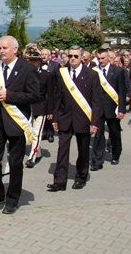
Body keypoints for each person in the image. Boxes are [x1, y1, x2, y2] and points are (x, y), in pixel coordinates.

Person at [0, 35, 41, 215]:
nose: (1, 51)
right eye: (0, 48)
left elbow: (34, 96)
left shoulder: (27, 69)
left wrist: (10, 96)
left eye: (5, 48)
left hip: (16, 122)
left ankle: (12, 199)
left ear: (15, 50)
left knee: (15, 162)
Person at [47, 46, 101, 192]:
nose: (72, 59)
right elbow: (57, 96)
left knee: (83, 150)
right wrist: (55, 117)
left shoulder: (91, 74)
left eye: (75, 56)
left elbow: (96, 101)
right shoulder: (62, 73)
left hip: (83, 118)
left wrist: (94, 122)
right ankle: (59, 181)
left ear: (82, 57)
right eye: (70, 56)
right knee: (62, 149)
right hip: (65, 117)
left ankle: (80, 177)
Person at [90, 47, 125, 169]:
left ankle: (116, 154)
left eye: (103, 58)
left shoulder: (118, 71)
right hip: (98, 109)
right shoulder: (94, 71)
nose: (101, 61)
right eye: (98, 58)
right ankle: (97, 161)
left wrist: (121, 109)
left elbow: (121, 91)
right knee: (98, 135)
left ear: (109, 58)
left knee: (114, 133)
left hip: (112, 108)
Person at [23, 44, 54, 168]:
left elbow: (51, 94)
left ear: (40, 61)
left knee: (37, 132)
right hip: (27, 107)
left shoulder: (47, 75)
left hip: (41, 106)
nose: (32, 62)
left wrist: (51, 111)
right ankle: (38, 151)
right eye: (30, 60)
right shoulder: (25, 73)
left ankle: (33, 156)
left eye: (34, 60)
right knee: (29, 133)